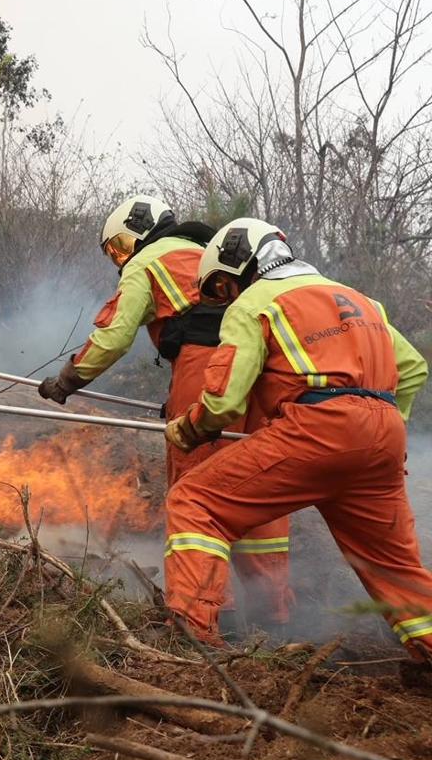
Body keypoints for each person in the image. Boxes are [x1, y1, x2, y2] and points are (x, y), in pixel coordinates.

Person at [164, 217, 432, 660]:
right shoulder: (362, 301)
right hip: (383, 439)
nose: (226, 297)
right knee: (394, 568)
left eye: (223, 287)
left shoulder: (255, 301)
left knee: (194, 501)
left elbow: (224, 402)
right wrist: (382, 427)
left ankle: (194, 637)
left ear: (238, 264)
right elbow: (414, 369)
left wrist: (189, 429)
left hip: (317, 428)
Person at [38, 197, 292, 629]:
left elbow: (114, 336)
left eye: (119, 246)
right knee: (254, 487)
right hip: (262, 371)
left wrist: (68, 380)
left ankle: (208, 618)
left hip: (207, 365)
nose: (121, 257)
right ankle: (276, 616)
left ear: (140, 229)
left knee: (196, 487)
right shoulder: (206, 252)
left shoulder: (148, 260)